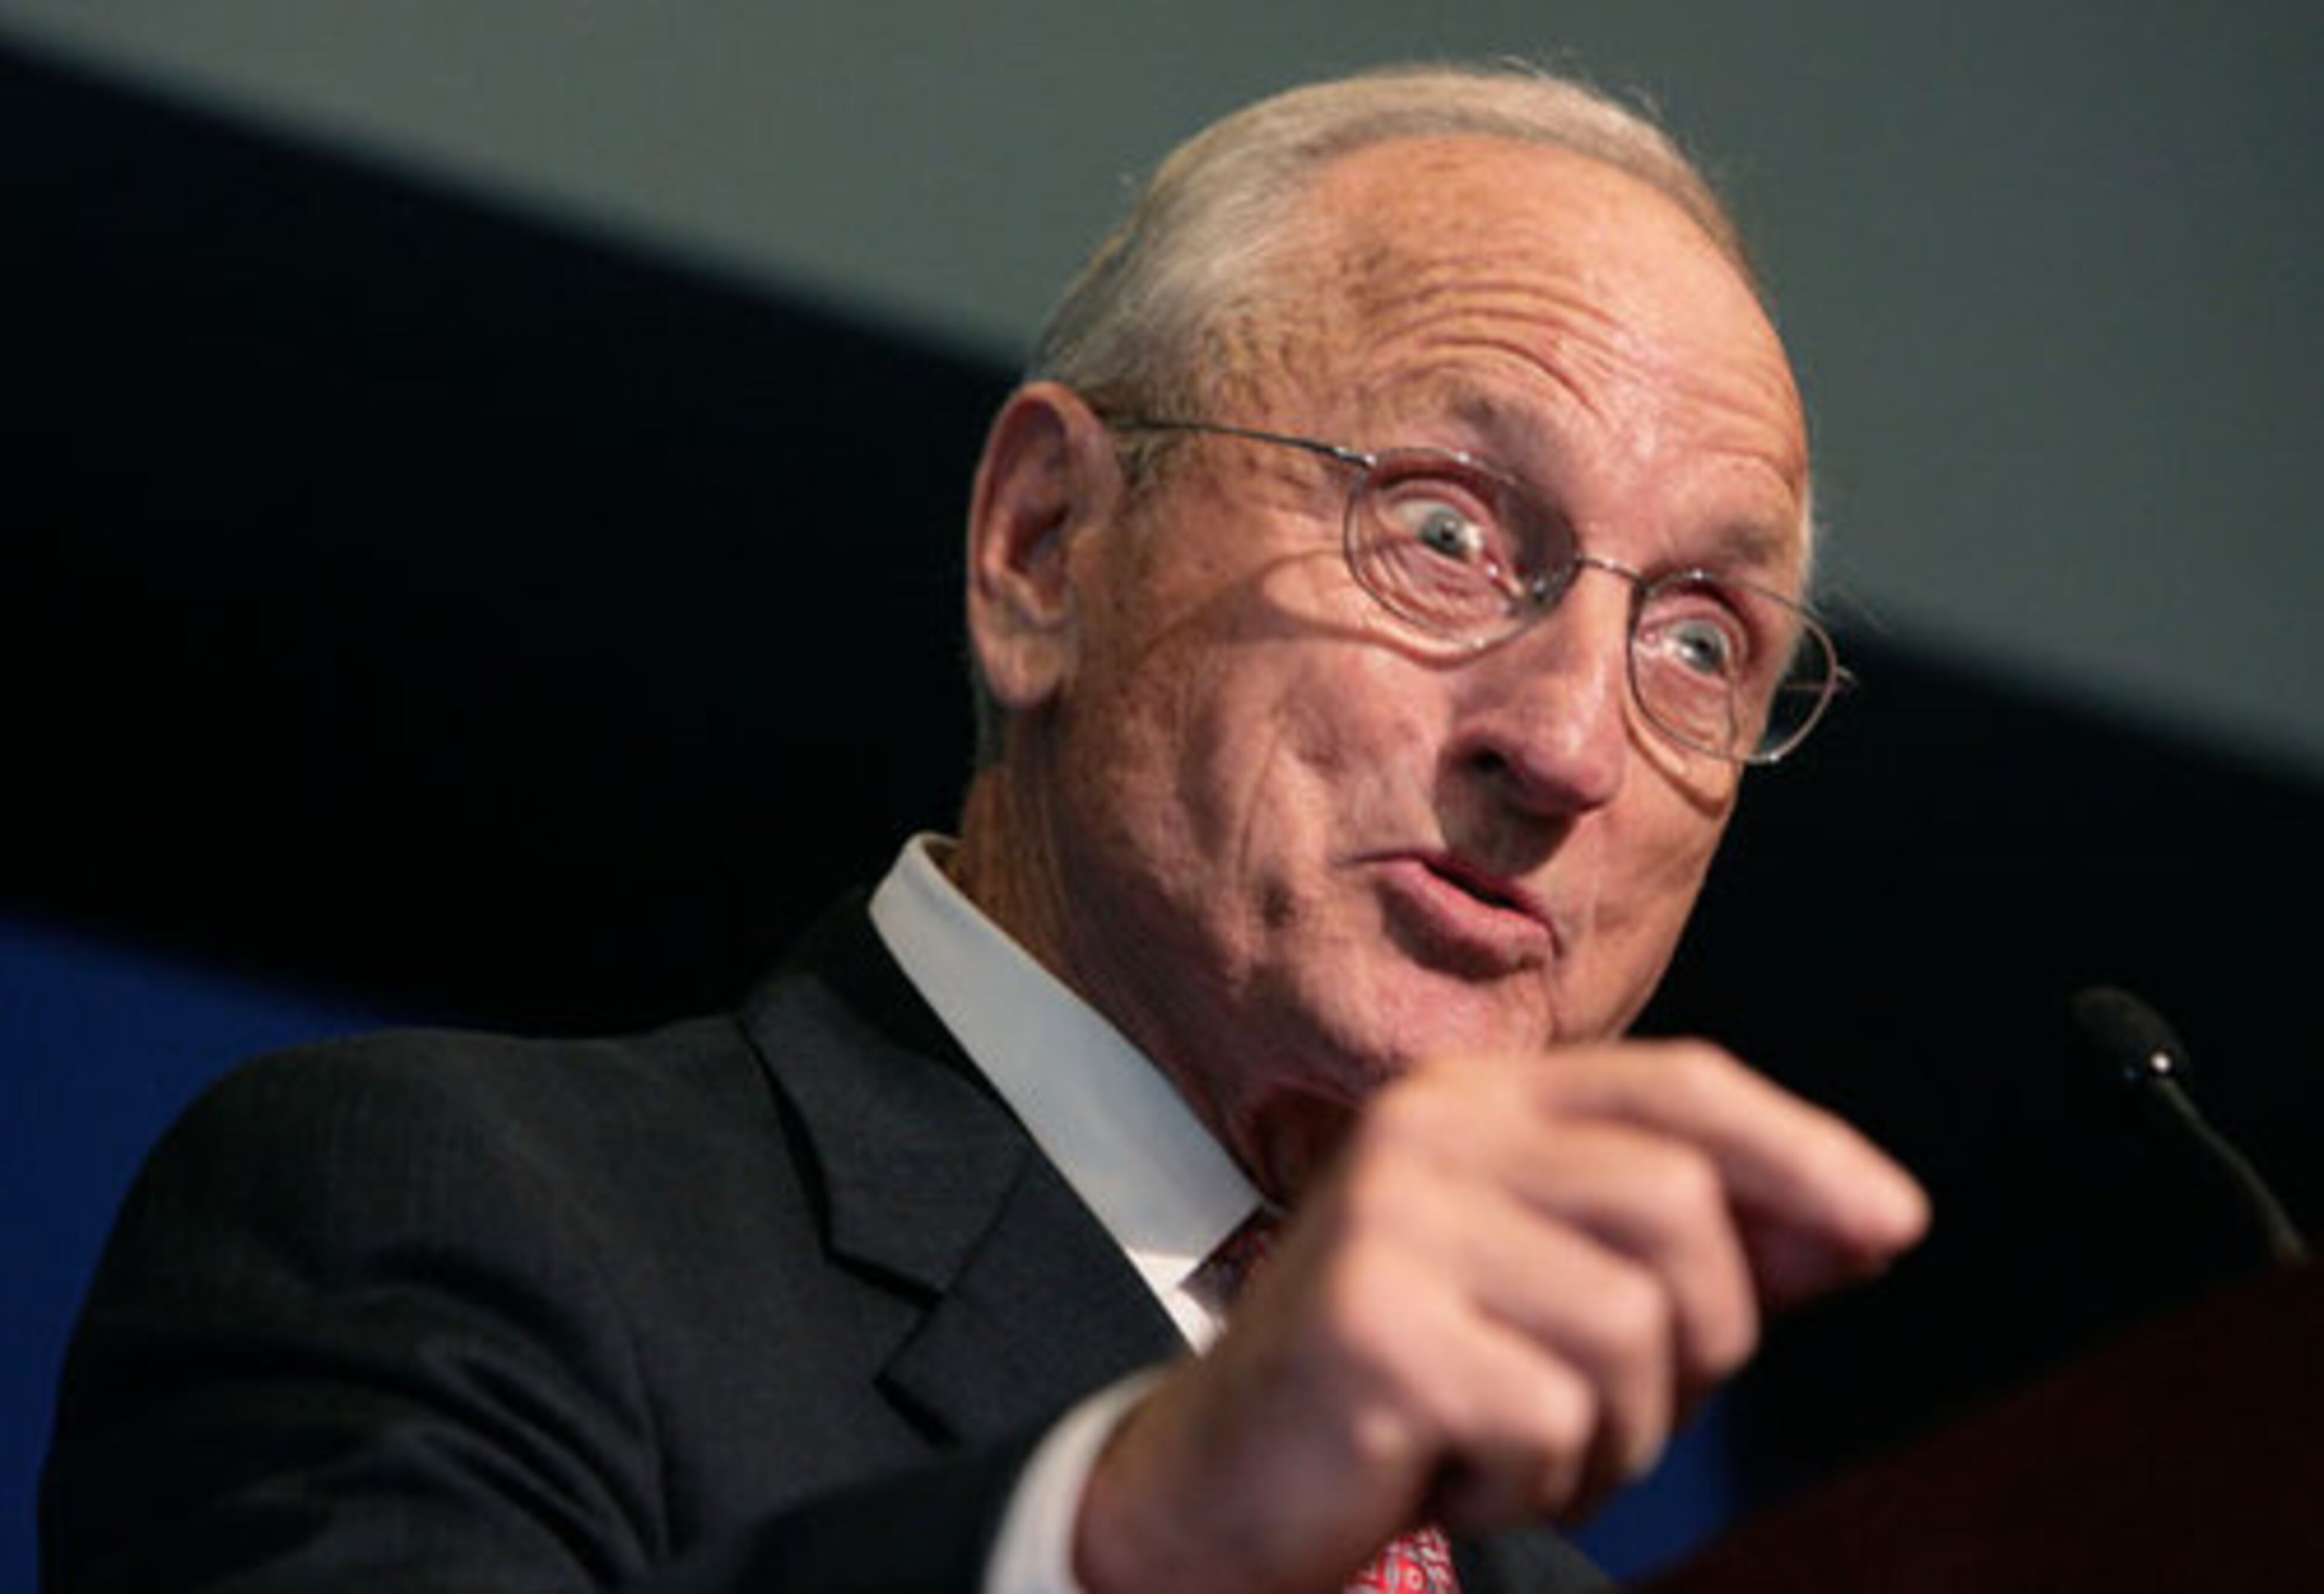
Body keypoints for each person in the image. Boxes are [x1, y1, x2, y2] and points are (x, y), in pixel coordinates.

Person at [42, 61, 1928, 1593]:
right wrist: (1123, 1540)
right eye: (1443, 528)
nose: (1576, 742)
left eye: (1702, 639)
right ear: (1045, 548)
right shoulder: (453, 1228)